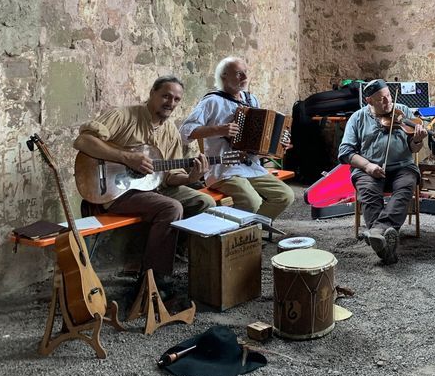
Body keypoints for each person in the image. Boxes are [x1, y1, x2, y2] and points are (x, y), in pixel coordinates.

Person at [73, 75, 214, 296]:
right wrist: (125, 158)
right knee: (171, 207)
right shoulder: (124, 116)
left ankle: (177, 257)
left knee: (204, 201)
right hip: (115, 192)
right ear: (152, 94)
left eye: (176, 99)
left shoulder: (170, 132)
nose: (171, 103)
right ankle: (154, 280)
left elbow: (170, 177)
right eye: (166, 96)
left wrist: (190, 177)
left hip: (153, 188)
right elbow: (82, 141)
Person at [179, 57, 295, 220]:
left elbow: (260, 139)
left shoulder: (251, 100)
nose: (245, 78)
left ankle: (250, 232)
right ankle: (237, 237)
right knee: (251, 201)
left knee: (285, 196)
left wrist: (278, 145)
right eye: (239, 74)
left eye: (246, 73)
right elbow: (185, 132)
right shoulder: (212, 101)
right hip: (223, 169)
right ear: (224, 76)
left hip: (250, 166)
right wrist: (219, 129)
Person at [338, 78, 427, 264]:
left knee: (405, 188)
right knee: (369, 193)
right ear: (369, 100)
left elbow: (413, 149)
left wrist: (418, 140)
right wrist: (368, 166)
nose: (388, 102)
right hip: (368, 169)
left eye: (388, 96)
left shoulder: (404, 112)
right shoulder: (358, 118)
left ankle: (378, 231)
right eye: (381, 99)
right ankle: (386, 248)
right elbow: (346, 152)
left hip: (403, 166)